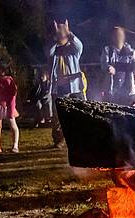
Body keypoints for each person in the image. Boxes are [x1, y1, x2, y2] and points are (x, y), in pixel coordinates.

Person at [48, 20, 85, 148]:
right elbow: (49, 52)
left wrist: (68, 32)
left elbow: (80, 45)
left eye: (63, 32)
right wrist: (57, 38)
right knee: (58, 116)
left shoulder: (73, 50)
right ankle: (59, 140)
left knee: (79, 113)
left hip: (74, 87)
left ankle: (79, 138)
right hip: (59, 87)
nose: (62, 34)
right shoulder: (55, 51)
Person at [101, 27, 135, 105]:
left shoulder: (131, 52)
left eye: (119, 35)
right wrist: (109, 68)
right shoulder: (107, 50)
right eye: (116, 35)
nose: (118, 37)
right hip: (112, 92)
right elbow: (104, 65)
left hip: (128, 91)